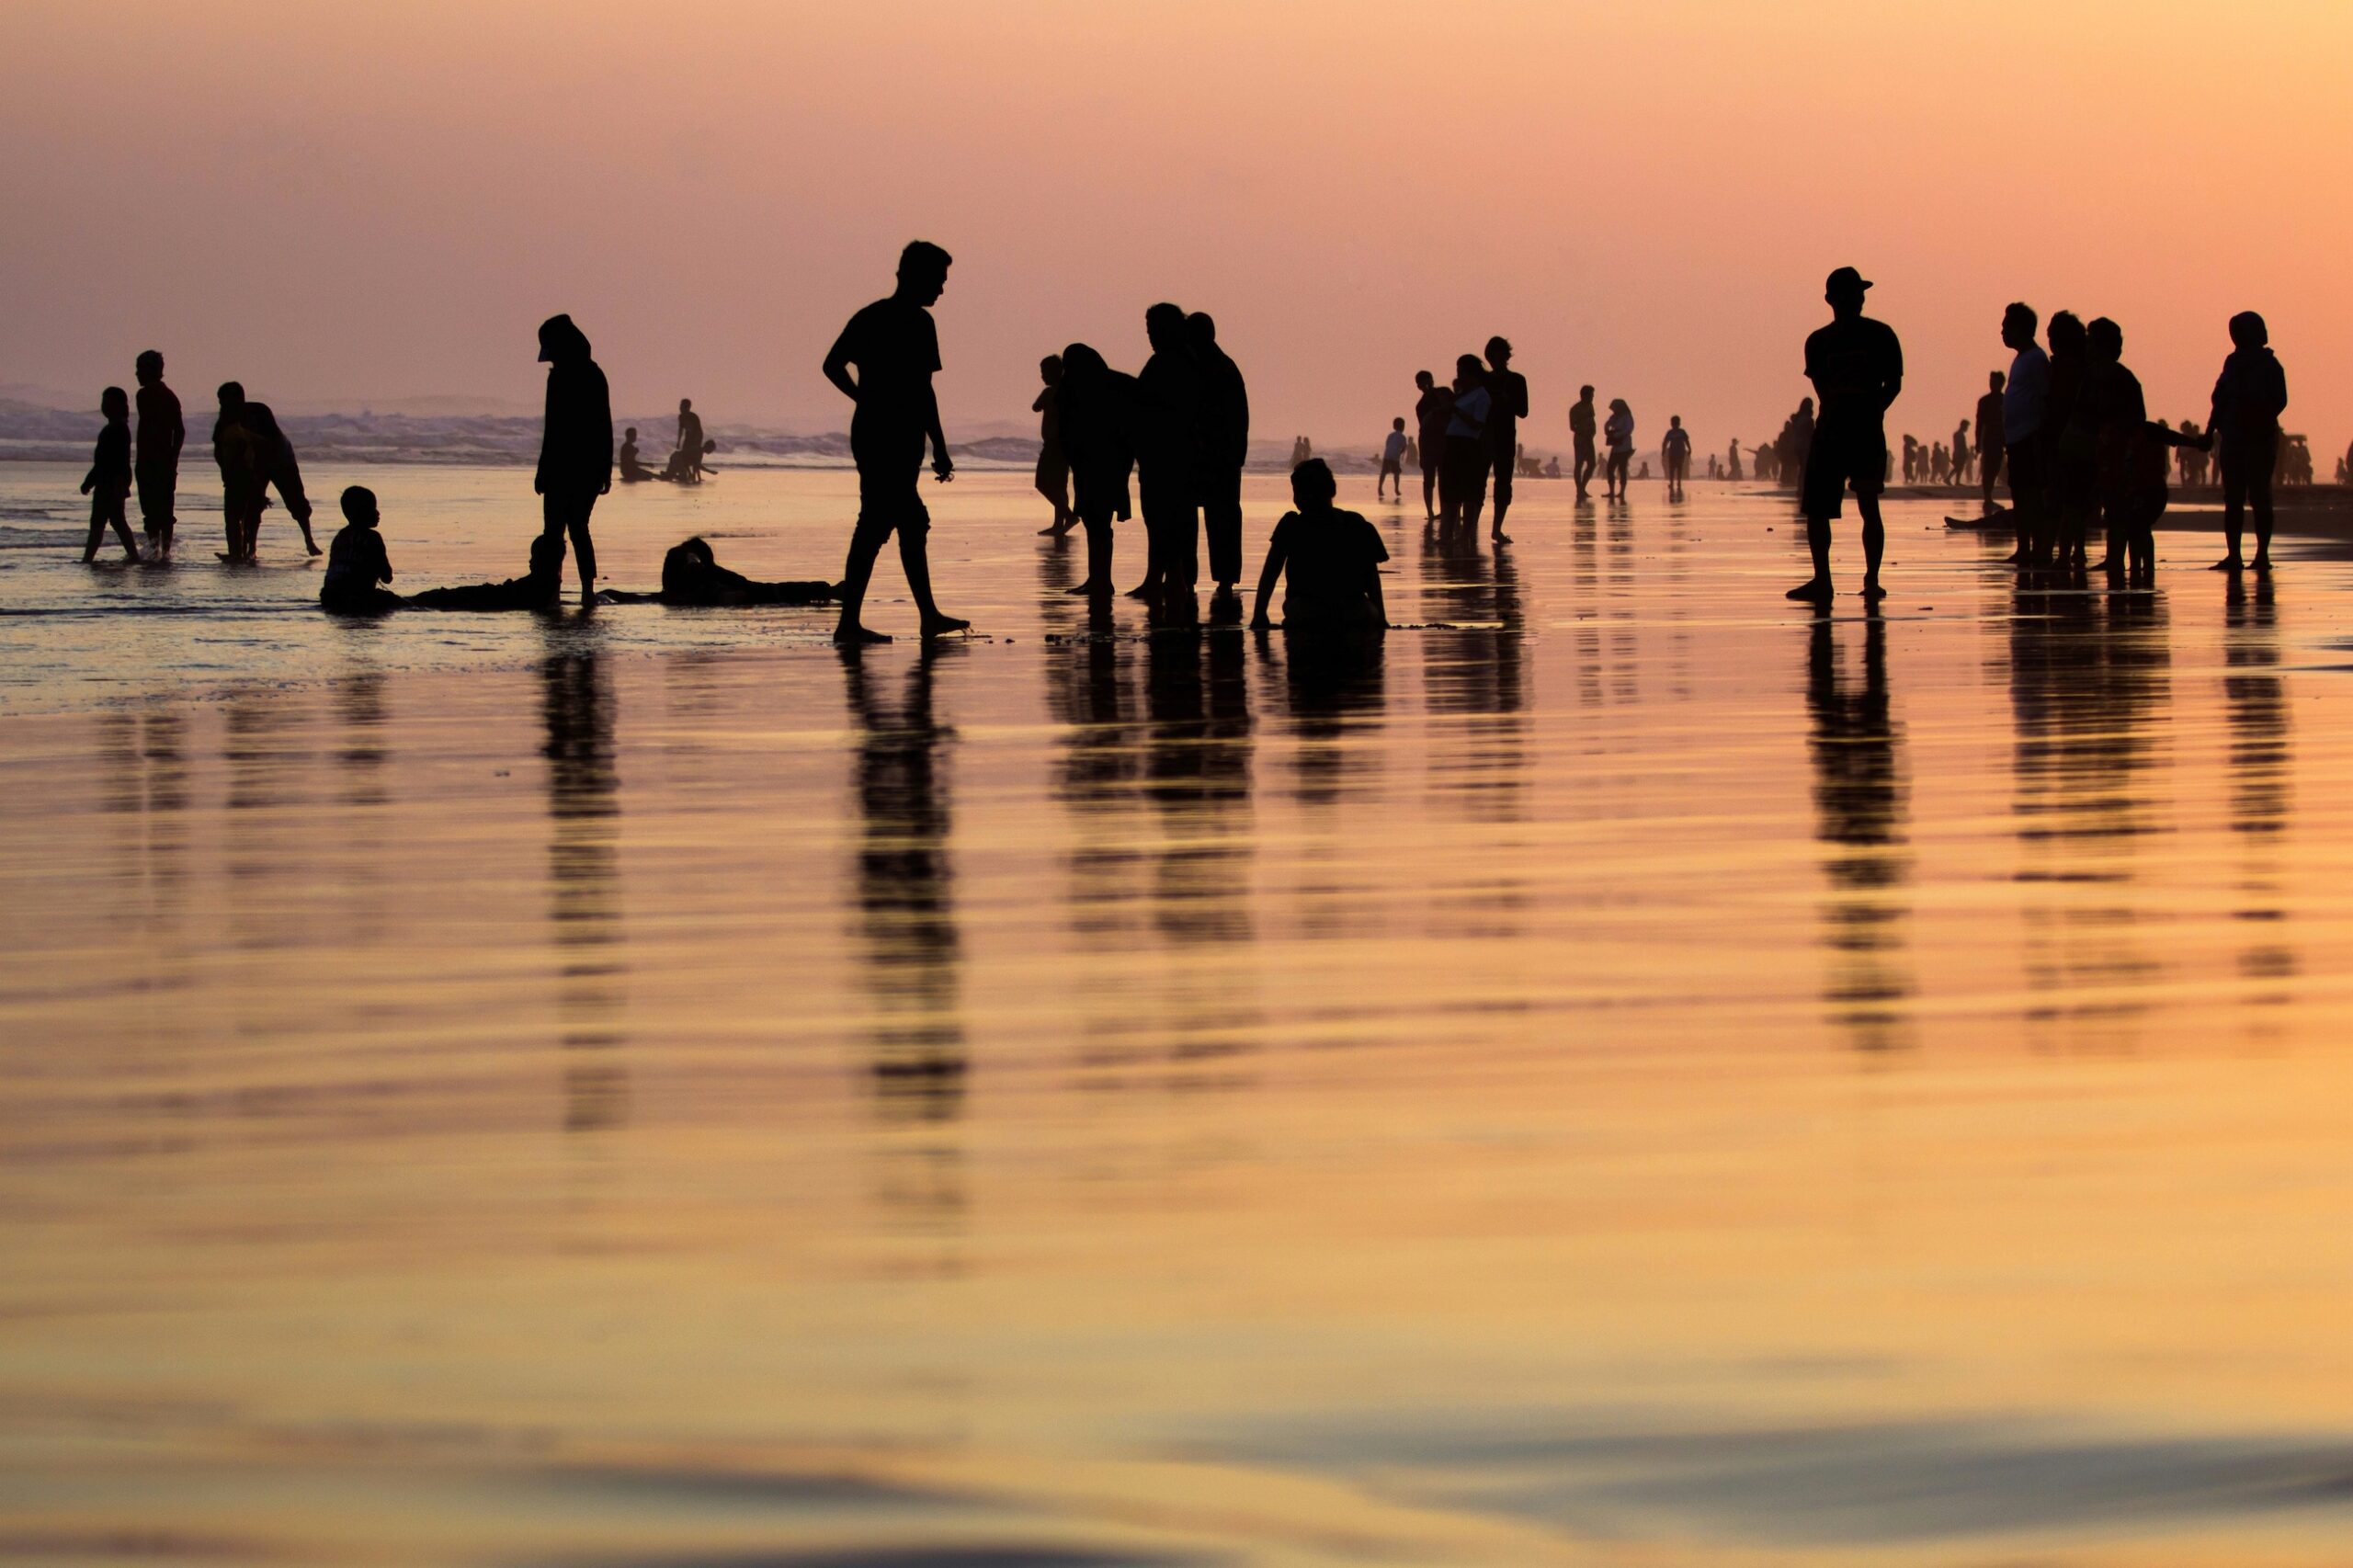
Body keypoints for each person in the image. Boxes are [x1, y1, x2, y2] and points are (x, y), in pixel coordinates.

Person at [821, 241, 969, 642]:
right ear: (914, 276)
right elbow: (922, 390)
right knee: (887, 522)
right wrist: (937, 442)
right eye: (938, 280)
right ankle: (853, 623)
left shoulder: (881, 318)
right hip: (884, 436)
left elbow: (835, 366)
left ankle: (915, 616)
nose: (941, 289)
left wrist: (937, 444)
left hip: (890, 433)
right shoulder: (907, 323)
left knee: (895, 522)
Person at [1790, 267, 1902, 602]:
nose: (1859, 298)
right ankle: (1827, 579)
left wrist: (1870, 410)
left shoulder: (1873, 336)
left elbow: (1891, 385)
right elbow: (1890, 385)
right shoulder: (1823, 341)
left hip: (1846, 429)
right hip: (1846, 429)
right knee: (1825, 508)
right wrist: (1872, 409)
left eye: (1860, 293)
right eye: (1854, 293)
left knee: (1859, 505)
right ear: (1832, 299)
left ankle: (1864, 579)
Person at [2085, 317, 2206, 581]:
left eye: (2090, 340)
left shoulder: (2116, 380)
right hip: (2112, 458)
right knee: (2117, 515)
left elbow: (2143, 427)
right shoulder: (2099, 378)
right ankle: (2120, 563)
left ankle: (2140, 571)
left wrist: (2191, 443)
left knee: (2131, 521)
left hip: (2128, 464)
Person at [1248, 458, 1387, 632]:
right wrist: (1381, 617)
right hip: (1352, 610)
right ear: (1332, 490)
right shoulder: (1355, 523)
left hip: (1307, 609)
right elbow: (1371, 576)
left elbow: (1270, 573)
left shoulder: (1291, 525)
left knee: (1303, 613)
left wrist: (1259, 614)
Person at [534, 313, 612, 607]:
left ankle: (565, 590)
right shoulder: (594, 374)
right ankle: (581, 590)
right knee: (574, 528)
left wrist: (543, 471)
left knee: (560, 530)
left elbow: (554, 429)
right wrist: (604, 468)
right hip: (581, 469)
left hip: (568, 469)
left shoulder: (568, 378)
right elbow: (603, 426)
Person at [1131, 301, 1200, 608]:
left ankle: (1171, 579)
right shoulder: (1179, 360)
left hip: (1169, 457)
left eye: (1153, 329)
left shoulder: (1172, 362)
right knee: (1162, 519)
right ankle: (1161, 577)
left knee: (1165, 519)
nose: (1150, 335)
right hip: (1166, 455)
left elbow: (1152, 406)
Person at [2207, 310, 2289, 573]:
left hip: (2257, 439)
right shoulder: (2232, 364)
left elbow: (2279, 400)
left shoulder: (2269, 366)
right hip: (2234, 438)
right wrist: (2211, 430)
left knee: (2258, 497)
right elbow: (2219, 399)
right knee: (2234, 499)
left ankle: (2261, 555)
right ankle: (2235, 555)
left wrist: (2255, 415)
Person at [1054, 341, 1138, 597]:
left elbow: (1065, 431)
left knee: (1095, 522)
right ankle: (1100, 578)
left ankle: (1100, 579)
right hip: (1116, 464)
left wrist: (1072, 459)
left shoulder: (1070, 388)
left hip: (1088, 464)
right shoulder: (1123, 384)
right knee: (1101, 522)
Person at [211, 384, 319, 561]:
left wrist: (255, 477)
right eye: (221, 402)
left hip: (281, 458)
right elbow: (219, 450)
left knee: (295, 501)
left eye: (227, 402)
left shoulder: (259, 411)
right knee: (250, 507)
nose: (223, 406)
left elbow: (272, 443)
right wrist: (226, 472)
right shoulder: (224, 422)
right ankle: (248, 549)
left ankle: (309, 539)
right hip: (251, 463)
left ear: (240, 399)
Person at [1189, 312, 1250, 603]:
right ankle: (1224, 579)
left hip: (1212, 457)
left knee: (1202, 517)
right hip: (1224, 457)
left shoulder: (1207, 368)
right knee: (1223, 517)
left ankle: (1196, 579)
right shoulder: (1224, 367)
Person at [598, 536, 837, 606]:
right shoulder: (687, 559)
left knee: (765, 591)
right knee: (765, 591)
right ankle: (827, 591)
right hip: (716, 590)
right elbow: (696, 566)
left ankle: (827, 590)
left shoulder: (684, 569)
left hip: (714, 590)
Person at [2044, 311, 2097, 571]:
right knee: (2078, 501)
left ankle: (2064, 554)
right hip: (2084, 441)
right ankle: (2078, 550)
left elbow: (2055, 406)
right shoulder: (2086, 366)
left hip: (2066, 441)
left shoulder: (2065, 369)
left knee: (2065, 501)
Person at [1999, 302, 2049, 562]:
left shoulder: (2036, 359)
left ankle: (2037, 548)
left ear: (2021, 329)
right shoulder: (2022, 358)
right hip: (2017, 438)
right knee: (2019, 493)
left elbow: (2044, 398)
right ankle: (2024, 548)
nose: (2003, 331)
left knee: (2029, 494)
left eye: (2006, 326)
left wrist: (2040, 437)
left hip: (2030, 437)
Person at [407, 534, 566, 611]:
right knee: (440, 596)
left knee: (441, 597)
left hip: (489, 597)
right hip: (490, 594)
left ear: (547, 560)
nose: (530, 562)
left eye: (535, 557)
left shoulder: (539, 585)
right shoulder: (546, 584)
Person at [79, 387, 140, 563]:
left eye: (108, 402)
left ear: (120, 406)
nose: (104, 406)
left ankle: (88, 558)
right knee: (117, 521)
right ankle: (134, 556)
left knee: (100, 521)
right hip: (113, 480)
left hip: (110, 482)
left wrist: (89, 482)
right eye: (103, 402)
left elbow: (108, 462)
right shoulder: (117, 428)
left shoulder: (117, 429)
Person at [319, 485, 399, 614]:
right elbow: (387, 577)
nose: (378, 513)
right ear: (362, 511)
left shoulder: (339, 537)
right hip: (358, 597)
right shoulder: (373, 538)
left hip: (328, 596)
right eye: (373, 508)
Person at [132, 350, 182, 558]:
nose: (136, 374)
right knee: (165, 510)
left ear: (150, 370)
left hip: (150, 460)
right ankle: (165, 551)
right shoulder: (169, 396)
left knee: (151, 510)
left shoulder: (145, 395)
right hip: (163, 460)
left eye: (140, 369)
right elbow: (179, 430)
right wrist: (173, 456)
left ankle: (155, 551)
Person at [1439, 354, 1493, 528]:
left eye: (1461, 371)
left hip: (1467, 445)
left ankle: (1467, 533)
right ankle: (1448, 533)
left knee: (1468, 492)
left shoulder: (1481, 395)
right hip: (1452, 443)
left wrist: (1456, 410)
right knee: (1450, 491)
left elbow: (1478, 424)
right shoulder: (1463, 395)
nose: (1459, 375)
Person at [1483, 336, 1529, 541]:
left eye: (1498, 355)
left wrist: (1507, 400)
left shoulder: (1517, 380)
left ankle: (1496, 528)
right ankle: (1470, 528)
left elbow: (1523, 411)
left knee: (1503, 484)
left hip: (1505, 437)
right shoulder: (1483, 379)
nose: (1495, 359)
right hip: (1482, 436)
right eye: (1492, 355)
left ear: (1505, 356)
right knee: (1477, 484)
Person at [1032, 354, 1074, 536]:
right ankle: (1059, 524)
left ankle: (1068, 516)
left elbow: (1035, 406)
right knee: (1059, 485)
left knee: (1042, 483)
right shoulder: (1069, 391)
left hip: (1053, 445)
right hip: (1066, 444)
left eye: (1044, 372)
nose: (1042, 376)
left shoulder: (1050, 392)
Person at [1414, 369, 1452, 520]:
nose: (1427, 385)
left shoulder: (1444, 393)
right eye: (1423, 384)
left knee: (1445, 479)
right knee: (1429, 479)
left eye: (1429, 381)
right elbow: (1425, 424)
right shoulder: (1421, 405)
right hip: (1428, 444)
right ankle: (1430, 512)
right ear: (1419, 386)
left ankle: (1445, 510)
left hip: (1445, 442)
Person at [1975, 371, 2006, 512]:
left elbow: (2009, 421)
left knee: (1995, 468)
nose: (1991, 383)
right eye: (1990, 381)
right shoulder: (1984, 401)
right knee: (1987, 469)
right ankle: (1987, 497)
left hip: (2000, 440)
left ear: (2001, 384)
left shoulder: (2005, 400)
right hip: (1988, 440)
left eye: (1994, 381)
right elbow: (1979, 423)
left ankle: (1988, 497)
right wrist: (1978, 443)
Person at [1569, 385, 1598, 501]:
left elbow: (1591, 420)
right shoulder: (1575, 409)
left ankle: (1582, 488)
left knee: (1591, 464)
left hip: (1589, 439)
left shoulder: (1590, 406)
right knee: (1579, 464)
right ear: (1584, 395)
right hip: (1580, 440)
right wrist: (1583, 433)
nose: (1592, 397)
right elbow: (1572, 426)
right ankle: (1579, 490)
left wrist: (1591, 433)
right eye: (1591, 395)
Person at [1603, 399, 1634, 499]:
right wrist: (1607, 429)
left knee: (1622, 469)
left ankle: (1622, 492)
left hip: (1624, 446)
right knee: (1610, 468)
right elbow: (1608, 424)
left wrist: (1617, 434)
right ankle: (1611, 491)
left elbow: (1629, 430)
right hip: (1616, 446)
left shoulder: (1627, 417)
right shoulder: (1615, 417)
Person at [1780, 399, 1815, 490]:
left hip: (1797, 446)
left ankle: (1800, 487)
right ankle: (1803, 487)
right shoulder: (1808, 420)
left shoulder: (1797, 419)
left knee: (1802, 468)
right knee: (1805, 468)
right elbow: (1811, 435)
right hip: (1805, 446)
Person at [674, 399, 705, 482]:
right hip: (688, 438)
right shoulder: (681, 417)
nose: (680, 408)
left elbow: (698, 430)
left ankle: (697, 476)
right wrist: (679, 441)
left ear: (687, 407)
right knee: (684, 457)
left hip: (697, 438)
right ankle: (690, 475)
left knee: (696, 458)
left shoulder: (693, 416)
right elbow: (681, 430)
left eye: (682, 406)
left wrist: (696, 443)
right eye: (680, 406)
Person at [1378, 417, 1409, 499]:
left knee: (1384, 472)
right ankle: (1396, 489)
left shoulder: (1390, 435)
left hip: (1387, 455)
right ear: (1403, 427)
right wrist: (1400, 455)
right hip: (1395, 457)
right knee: (1396, 473)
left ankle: (1380, 487)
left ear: (1394, 426)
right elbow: (1404, 448)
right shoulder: (1403, 437)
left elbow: (1387, 444)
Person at [1662, 415, 1692, 498]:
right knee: (1678, 468)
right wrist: (1689, 449)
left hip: (1675, 452)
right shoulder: (1681, 432)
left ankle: (1674, 483)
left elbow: (1665, 442)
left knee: (1674, 468)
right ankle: (1677, 483)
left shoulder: (1671, 432)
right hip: (1678, 452)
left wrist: (1663, 451)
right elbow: (1686, 441)